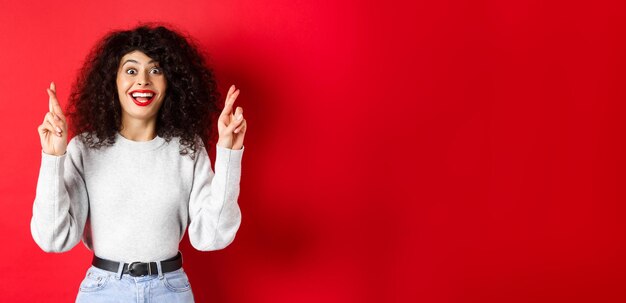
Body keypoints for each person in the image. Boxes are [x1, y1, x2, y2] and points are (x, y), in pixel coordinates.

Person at [30, 24, 247, 302]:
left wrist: (229, 152)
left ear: (170, 82)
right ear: (113, 81)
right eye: (131, 70)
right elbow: (53, 239)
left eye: (155, 70)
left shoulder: (187, 150)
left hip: (170, 291)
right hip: (103, 291)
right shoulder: (84, 149)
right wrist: (52, 159)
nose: (143, 80)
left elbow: (211, 237)